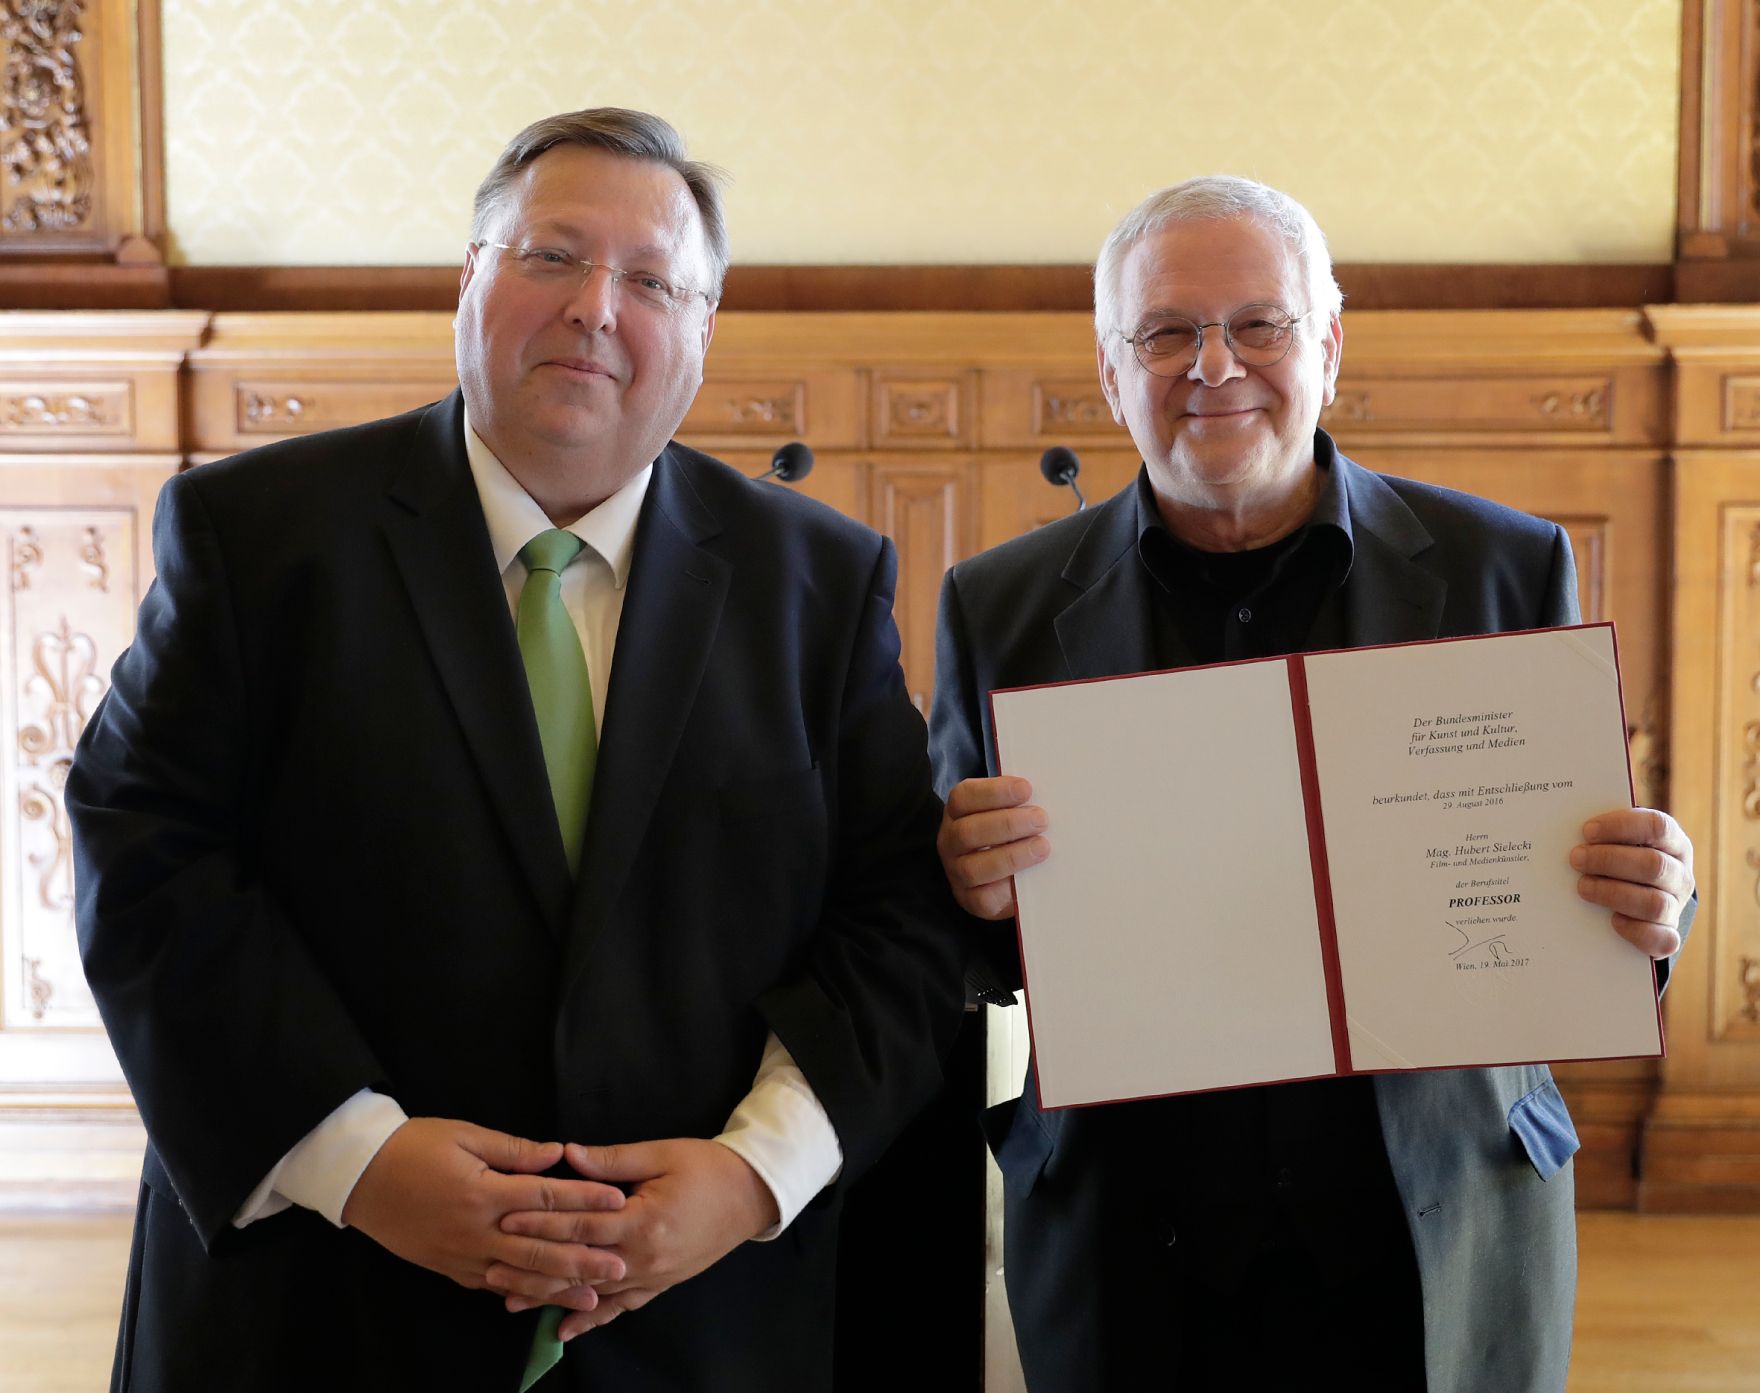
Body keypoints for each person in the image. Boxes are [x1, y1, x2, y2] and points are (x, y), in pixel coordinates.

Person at [67, 108, 963, 1393]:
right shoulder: (254, 538)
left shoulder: (816, 583)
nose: (597, 308)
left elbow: (896, 914)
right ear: (471, 278)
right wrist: (357, 1160)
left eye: (653, 281)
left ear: (701, 335)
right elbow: (144, 857)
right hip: (322, 1306)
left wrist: (748, 1175)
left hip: (700, 1322)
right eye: (551, 256)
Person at [930, 176, 1695, 1393]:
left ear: (1328, 346)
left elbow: (1568, 876)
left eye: (1260, 324)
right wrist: (963, 889)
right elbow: (956, 943)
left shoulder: (1501, 564)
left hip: (1436, 1226)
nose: (1213, 365)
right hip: (1134, 1240)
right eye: (1166, 331)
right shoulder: (999, 605)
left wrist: (1651, 893)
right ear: (1110, 366)